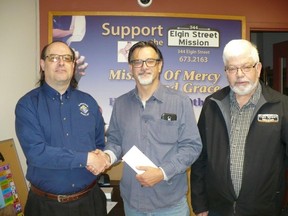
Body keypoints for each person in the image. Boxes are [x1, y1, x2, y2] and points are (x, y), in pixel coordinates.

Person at [103, 40, 202, 215]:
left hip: (170, 205)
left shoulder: (180, 101)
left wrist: (162, 172)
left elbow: (192, 147)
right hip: (133, 204)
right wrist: (107, 156)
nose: (144, 67)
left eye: (150, 61)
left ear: (159, 65)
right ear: (130, 68)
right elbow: (115, 141)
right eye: (137, 62)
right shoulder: (121, 104)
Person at [191, 39, 288, 216]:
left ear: (257, 69)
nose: (239, 74)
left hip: (264, 209)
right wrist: (200, 204)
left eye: (246, 67)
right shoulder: (212, 105)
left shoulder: (281, 106)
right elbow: (200, 158)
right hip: (218, 208)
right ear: (226, 72)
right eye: (232, 68)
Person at [15, 41, 109, 216]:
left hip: (90, 203)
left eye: (67, 58)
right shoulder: (27, 105)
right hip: (46, 206)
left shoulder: (88, 102)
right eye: (54, 58)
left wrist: (101, 157)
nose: (61, 62)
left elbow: (99, 144)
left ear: (73, 65)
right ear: (43, 64)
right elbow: (36, 153)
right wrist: (86, 158)